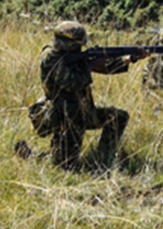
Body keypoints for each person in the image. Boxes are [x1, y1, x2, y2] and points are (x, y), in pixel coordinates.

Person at [30, 20, 136, 170]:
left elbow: (105, 67)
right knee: (66, 166)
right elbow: (72, 83)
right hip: (65, 117)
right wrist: (89, 67)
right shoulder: (51, 58)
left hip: (84, 112)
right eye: (76, 44)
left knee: (119, 117)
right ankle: (32, 156)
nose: (79, 47)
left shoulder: (75, 56)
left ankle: (105, 157)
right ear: (67, 44)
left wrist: (131, 59)